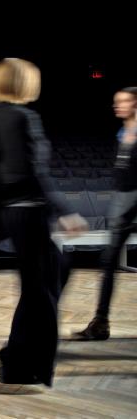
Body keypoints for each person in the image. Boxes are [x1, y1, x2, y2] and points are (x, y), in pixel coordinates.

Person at [0, 58, 87, 386]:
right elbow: (36, 171)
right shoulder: (24, 117)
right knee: (42, 288)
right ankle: (23, 364)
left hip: (12, 212)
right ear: (24, 83)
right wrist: (64, 209)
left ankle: (16, 361)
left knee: (45, 279)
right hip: (31, 211)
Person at [74, 86, 137, 340]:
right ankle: (100, 323)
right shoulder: (122, 134)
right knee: (108, 262)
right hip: (123, 202)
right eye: (115, 101)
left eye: (123, 101)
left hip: (133, 204)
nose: (116, 105)